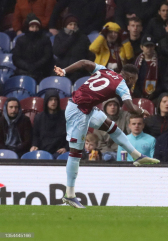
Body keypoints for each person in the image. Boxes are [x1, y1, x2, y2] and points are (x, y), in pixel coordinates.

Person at [54, 60, 160, 208]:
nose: (133, 85)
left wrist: (64, 70)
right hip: (77, 112)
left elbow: (84, 63)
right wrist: (142, 111)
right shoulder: (122, 84)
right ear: (130, 79)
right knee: (75, 153)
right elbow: (129, 107)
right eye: (134, 81)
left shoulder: (104, 70)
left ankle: (137, 156)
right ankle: (69, 195)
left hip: (87, 109)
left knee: (113, 128)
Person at [12, 13, 54, 83]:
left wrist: (35, 66)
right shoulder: (21, 40)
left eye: (36, 27)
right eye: (32, 27)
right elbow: (16, 58)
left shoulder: (45, 39)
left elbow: (47, 56)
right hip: (23, 71)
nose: (34, 29)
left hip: (41, 71)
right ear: (28, 27)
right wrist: (27, 66)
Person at [53, 14, 93, 83]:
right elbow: (57, 52)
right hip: (63, 70)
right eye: (70, 24)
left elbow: (90, 54)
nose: (73, 27)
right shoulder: (59, 36)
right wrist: (72, 37)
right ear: (66, 26)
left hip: (79, 72)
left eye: (75, 24)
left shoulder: (83, 37)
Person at [30, 90, 68, 159]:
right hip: (43, 151)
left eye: (55, 100)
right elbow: (36, 135)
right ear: (46, 101)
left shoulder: (65, 116)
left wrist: (66, 148)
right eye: (50, 100)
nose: (53, 102)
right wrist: (34, 145)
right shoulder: (39, 117)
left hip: (60, 151)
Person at [133, 35, 165, 101]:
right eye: (147, 46)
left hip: (155, 96)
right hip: (138, 95)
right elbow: (133, 80)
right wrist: (139, 94)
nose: (149, 48)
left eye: (151, 46)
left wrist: (154, 93)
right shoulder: (136, 62)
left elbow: (163, 81)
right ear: (141, 47)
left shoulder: (160, 62)